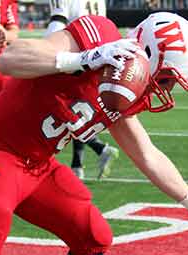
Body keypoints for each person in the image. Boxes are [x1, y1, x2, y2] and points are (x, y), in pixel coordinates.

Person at [0, 12, 188, 255]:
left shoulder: (123, 90)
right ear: (150, 50)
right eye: (165, 79)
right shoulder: (100, 37)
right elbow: (9, 59)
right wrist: (85, 59)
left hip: (38, 168)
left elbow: (146, 153)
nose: (163, 89)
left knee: (94, 237)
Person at [45, 0, 118, 180]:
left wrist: (43, 52)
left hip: (76, 57)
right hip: (99, 57)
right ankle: (79, 164)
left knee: (56, 109)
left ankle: (97, 151)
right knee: (76, 112)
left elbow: (56, 27)